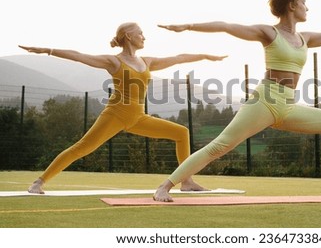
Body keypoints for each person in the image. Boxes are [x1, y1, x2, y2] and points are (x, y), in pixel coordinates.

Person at [153, 0, 321, 202]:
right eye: (303, 2)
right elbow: (227, 27)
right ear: (291, 5)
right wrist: (189, 26)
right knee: (220, 145)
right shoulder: (269, 33)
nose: (307, 7)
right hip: (265, 101)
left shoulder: (305, 38)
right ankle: (165, 186)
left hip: (287, 106)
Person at [19, 22, 226, 194]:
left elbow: (179, 58)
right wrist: (49, 51)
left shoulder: (147, 61)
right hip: (115, 115)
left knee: (181, 132)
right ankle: (39, 182)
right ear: (128, 36)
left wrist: (205, 56)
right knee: (81, 148)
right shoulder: (113, 61)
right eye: (140, 33)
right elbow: (79, 56)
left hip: (138, 118)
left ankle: (186, 181)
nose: (144, 37)